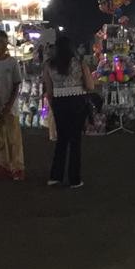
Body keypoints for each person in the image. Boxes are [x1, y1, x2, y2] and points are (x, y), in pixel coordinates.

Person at [42, 36, 94, 188]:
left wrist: (52, 106)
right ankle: (74, 179)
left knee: (62, 140)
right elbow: (90, 86)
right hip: (77, 101)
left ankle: (55, 176)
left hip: (59, 102)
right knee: (75, 140)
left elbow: (49, 91)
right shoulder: (79, 63)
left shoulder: (49, 65)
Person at [0, 29, 25, 181]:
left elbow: (17, 84)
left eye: (5, 42)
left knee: (14, 137)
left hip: (11, 106)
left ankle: (17, 167)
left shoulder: (12, 62)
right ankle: (3, 165)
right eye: (0, 42)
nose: (3, 45)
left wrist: (9, 104)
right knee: (0, 137)